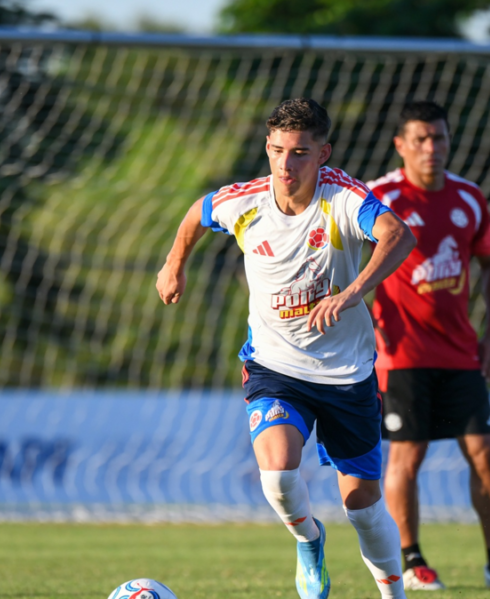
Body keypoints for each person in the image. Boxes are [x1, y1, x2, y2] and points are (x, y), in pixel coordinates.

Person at [156, 98, 417, 599]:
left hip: (346, 373)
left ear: (323, 153)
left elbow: (398, 236)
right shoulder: (246, 202)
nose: (285, 164)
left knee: (363, 508)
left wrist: (352, 292)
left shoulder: (343, 198)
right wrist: (174, 264)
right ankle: (308, 540)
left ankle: (393, 596)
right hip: (275, 366)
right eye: (277, 150)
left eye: (300, 152)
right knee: (277, 473)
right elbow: (198, 212)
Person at [368, 101, 490, 592]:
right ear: (401, 145)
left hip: (460, 353)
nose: (432, 147)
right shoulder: (379, 196)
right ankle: (412, 562)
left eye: (440, 138)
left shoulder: (468, 197)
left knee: (484, 454)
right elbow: (344, 258)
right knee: (407, 457)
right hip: (402, 354)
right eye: (421, 139)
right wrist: (361, 321)